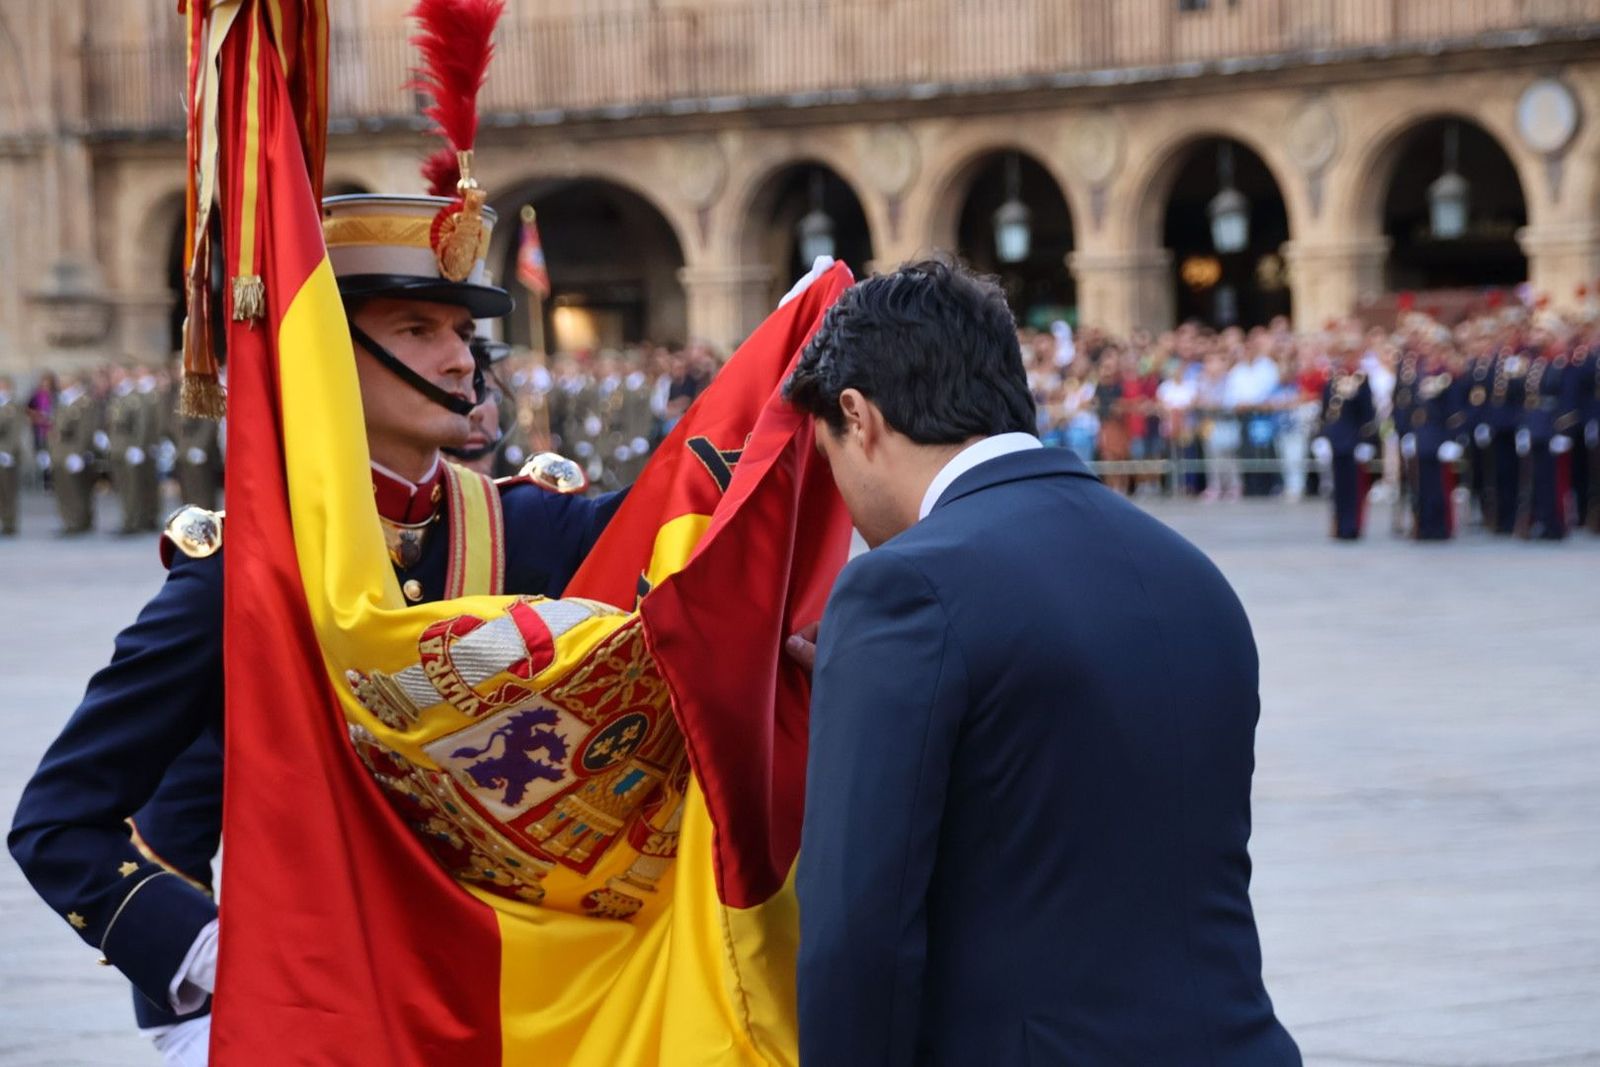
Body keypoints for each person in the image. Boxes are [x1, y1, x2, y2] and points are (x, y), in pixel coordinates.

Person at [8, 193, 622, 1065]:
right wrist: (212, 954)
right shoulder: (244, 571)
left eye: (463, 333)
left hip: (504, 1003)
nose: (460, 361)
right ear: (331, 355)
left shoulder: (528, 529)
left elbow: (703, 534)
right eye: (419, 330)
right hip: (322, 1020)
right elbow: (58, 819)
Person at [784, 260, 1300, 1066]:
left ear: (860, 416)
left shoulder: (903, 587)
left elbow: (858, 934)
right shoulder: (1187, 570)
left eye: (829, 457)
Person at [48, 371, 97, 534]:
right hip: (59, 452)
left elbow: (85, 430)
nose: (60, 383)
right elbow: (54, 428)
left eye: (64, 380)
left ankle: (80, 521)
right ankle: (68, 521)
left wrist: (78, 452)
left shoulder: (84, 402)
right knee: (63, 489)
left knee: (78, 489)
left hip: (73, 452)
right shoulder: (62, 401)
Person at [0, 374, 25, 534]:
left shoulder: (14, 407)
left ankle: (10, 523)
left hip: (6, 456)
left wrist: (6, 452)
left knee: (7, 490)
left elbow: (15, 433)